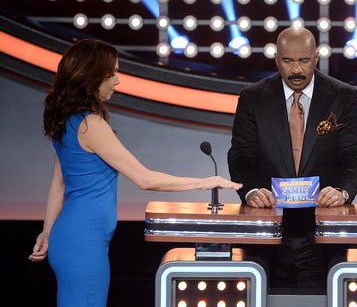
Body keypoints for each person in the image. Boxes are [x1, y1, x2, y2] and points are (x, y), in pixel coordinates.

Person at [28, 39, 242, 307]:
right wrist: (205, 181)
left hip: (67, 238)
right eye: (112, 73)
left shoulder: (69, 120)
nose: (117, 81)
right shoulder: (90, 125)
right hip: (84, 243)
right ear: (92, 77)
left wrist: (48, 233)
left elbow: (57, 186)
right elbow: (145, 178)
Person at [227, 26, 357, 292]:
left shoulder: (343, 96)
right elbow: (241, 156)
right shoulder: (253, 97)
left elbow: (354, 155)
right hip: (267, 229)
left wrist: (343, 191)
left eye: (303, 61)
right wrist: (251, 191)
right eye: (288, 61)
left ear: (315, 58)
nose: (296, 70)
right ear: (277, 59)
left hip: (321, 229)